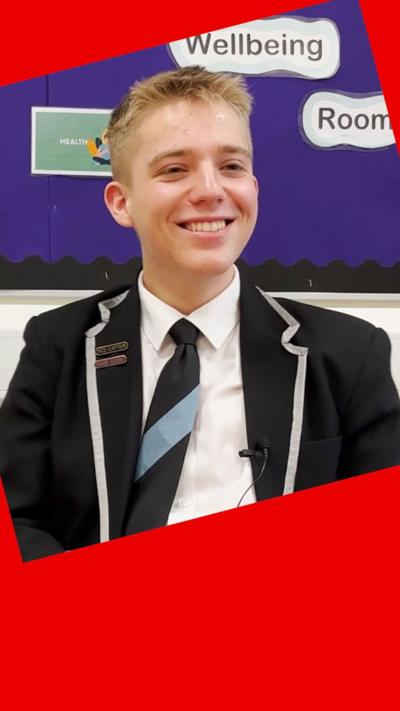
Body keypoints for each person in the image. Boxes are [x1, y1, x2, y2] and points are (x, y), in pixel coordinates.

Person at [1, 66, 400, 562]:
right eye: (174, 169)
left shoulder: (349, 353)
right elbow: (19, 519)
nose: (211, 189)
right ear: (121, 202)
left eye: (232, 166)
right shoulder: (58, 346)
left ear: (254, 187)